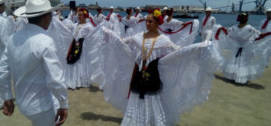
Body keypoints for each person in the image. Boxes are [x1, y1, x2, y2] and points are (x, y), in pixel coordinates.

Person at [89, 9, 219, 126]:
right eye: (146, 21)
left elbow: (178, 51)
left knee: (153, 99)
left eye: (150, 21)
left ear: (157, 23)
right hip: (139, 74)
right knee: (136, 97)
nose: (147, 24)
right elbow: (123, 41)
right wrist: (109, 34)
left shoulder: (163, 40)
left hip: (153, 75)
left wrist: (197, 49)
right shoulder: (140, 37)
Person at [0, 0, 69, 126]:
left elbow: (2, 70)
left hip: (22, 102)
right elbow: (56, 79)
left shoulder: (14, 38)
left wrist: (7, 96)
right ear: (46, 16)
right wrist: (64, 104)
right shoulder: (45, 41)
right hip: (42, 106)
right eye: (51, 15)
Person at [214, 13, 268, 84]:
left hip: (236, 47)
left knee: (234, 60)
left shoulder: (234, 28)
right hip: (245, 47)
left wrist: (221, 29)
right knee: (243, 62)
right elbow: (260, 35)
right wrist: (268, 34)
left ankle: (232, 76)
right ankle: (242, 78)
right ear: (246, 19)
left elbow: (227, 33)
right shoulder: (250, 28)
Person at [65, 8, 94, 89]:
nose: (79, 16)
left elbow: (93, 35)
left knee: (82, 61)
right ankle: (74, 80)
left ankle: (82, 80)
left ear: (85, 16)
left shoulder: (88, 26)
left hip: (83, 47)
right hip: (75, 45)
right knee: (74, 61)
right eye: (78, 15)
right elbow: (69, 29)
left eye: (81, 15)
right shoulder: (75, 24)